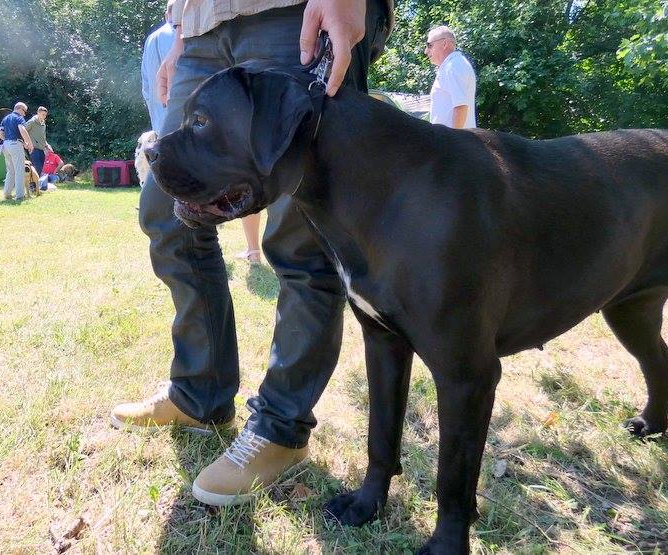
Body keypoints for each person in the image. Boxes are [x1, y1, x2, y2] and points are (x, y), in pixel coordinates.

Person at [110, 0, 392, 507]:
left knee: (300, 238)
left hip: (293, 15)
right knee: (168, 209)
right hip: (201, 29)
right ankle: (200, 395)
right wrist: (180, 34)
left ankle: (280, 429)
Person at [425, 25, 476, 129]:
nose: (426, 51)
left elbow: (461, 106)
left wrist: (453, 142)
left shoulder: (453, 66)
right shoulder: (454, 64)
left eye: (429, 45)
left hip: (453, 142)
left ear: (444, 44)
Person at [141, 1, 175, 131]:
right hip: (179, 125)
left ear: (167, 15)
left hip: (159, 125)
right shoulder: (182, 38)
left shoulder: (150, 39)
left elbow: (146, 87)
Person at [0, 102, 34, 200]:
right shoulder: (19, 118)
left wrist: (8, 140)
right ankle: (20, 196)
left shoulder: (5, 118)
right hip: (15, 145)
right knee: (19, 171)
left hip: (6, 145)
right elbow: (22, 130)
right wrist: (29, 143)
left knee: (10, 171)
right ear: (20, 109)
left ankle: (7, 194)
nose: (25, 114)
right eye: (25, 111)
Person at [24, 106, 53, 179]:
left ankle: (40, 185)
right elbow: (23, 131)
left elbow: (43, 137)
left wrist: (47, 145)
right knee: (37, 167)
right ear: (38, 113)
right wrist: (25, 143)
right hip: (33, 148)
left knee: (42, 168)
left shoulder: (43, 124)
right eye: (43, 114)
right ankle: (34, 185)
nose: (44, 116)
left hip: (41, 148)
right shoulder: (32, 121)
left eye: (45, 115)